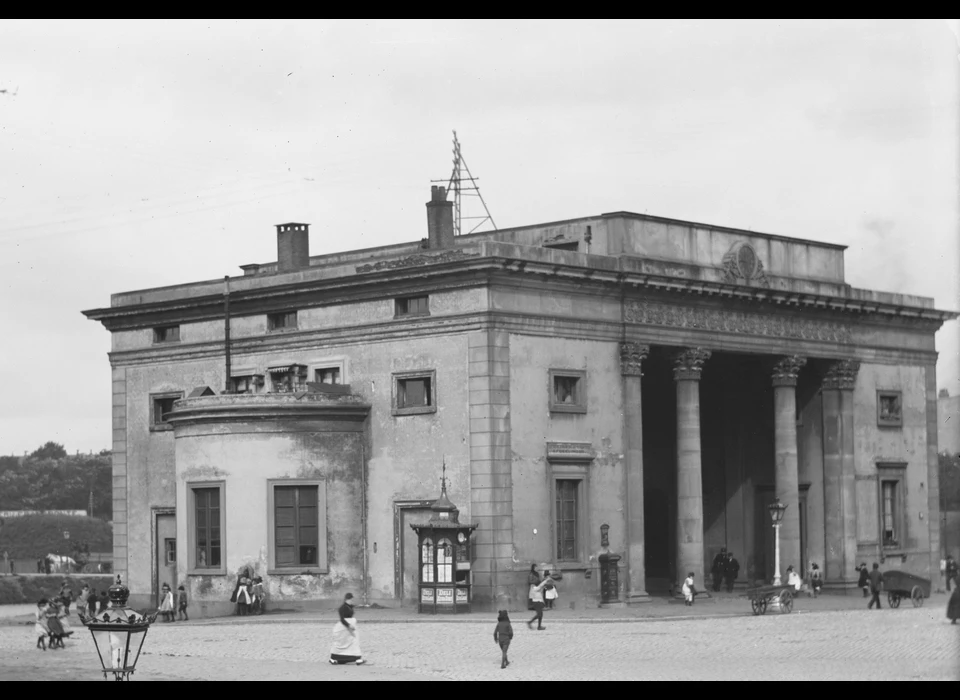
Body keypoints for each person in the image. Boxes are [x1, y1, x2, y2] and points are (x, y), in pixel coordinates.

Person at [329, 593, 364, 665]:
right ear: (348, 599)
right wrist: (348, 625)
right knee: (342, 643)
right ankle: (333, 657)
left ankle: (357, 657)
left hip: (349, 627)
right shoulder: (342, 608)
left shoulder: (350, 606)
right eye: (351, 599)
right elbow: (342, 619)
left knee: (353, 641)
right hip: (344, 627)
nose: (352, 601)